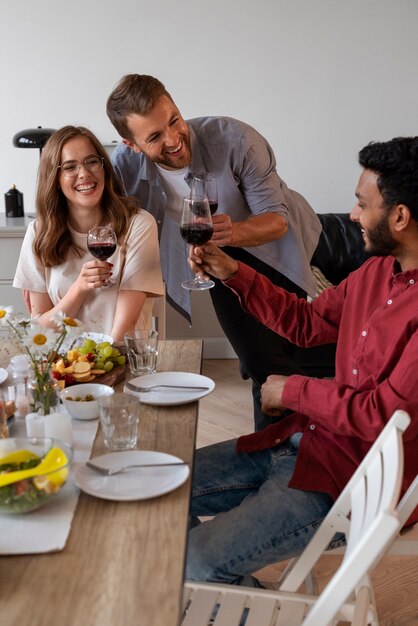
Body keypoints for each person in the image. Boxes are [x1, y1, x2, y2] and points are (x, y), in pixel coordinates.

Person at [184, 136, 418, 586]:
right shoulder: (374, 272)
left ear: (400, 217)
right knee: (163, 489)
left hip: (352, 487)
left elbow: (383, 416)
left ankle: (226, 601)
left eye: (361, 204)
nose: (352, 215)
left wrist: (293, 389)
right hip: (306, 444)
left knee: (196, 563)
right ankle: (225, 600)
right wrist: (233, 271)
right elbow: (307, 323)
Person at [106, 74, 322, 430]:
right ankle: (281, 449)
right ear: (131, 144)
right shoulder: (125, 165)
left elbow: (277, 221)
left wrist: (234, 231)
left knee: (279, 352)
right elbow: (108, 216)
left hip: (277, 245)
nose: (174, 140)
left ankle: (296, 447)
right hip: (219, 254)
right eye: (155, 137)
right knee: (260, 359)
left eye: (174, 121)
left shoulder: (237, 139)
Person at [13, 126, 164, 340]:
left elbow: (127, 326)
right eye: (70, 167)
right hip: (63, 365)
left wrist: (101, 369)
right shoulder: (39, 232)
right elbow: (40, 330)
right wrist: (80, 288)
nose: (84, 173)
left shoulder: (139, 225)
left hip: (119, 360)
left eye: (91, 161)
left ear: (104, 168)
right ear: (55, 179)